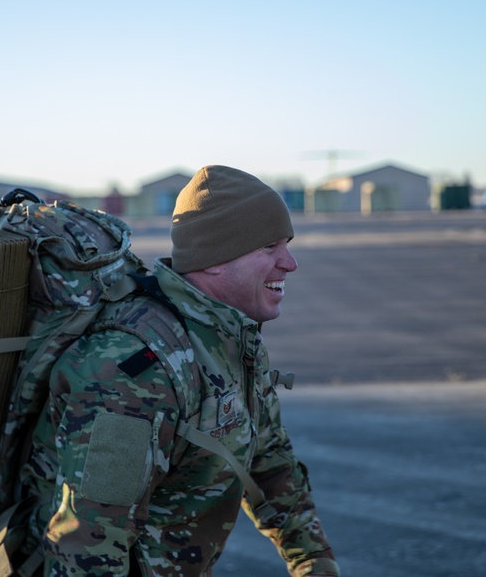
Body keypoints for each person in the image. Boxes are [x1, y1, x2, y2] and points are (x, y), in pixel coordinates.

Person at [20, 165, 340, 577]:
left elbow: (268, 457)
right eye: (270, 247)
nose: (290, 263)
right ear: (214, 259)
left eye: (287, 244)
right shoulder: (132, 371)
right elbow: (89, 545)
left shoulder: (228, 335)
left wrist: (313, 560)